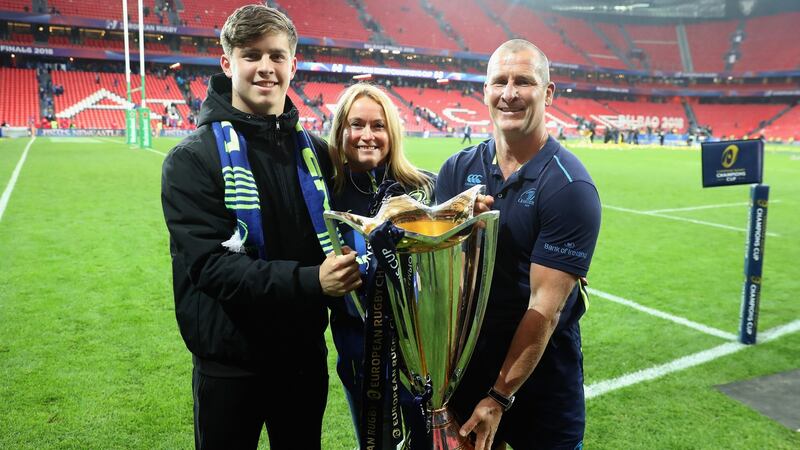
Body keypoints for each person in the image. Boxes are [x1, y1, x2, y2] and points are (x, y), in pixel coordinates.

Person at [160, 5, 361, 449]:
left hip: (303, 360)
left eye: (276, 55)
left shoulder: (317, 154)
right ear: (228, 63)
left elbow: (377, 195)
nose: (265, 68)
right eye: (251, 55)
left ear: (293, 64)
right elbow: (211, 266)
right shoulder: (192, 159)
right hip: (230, 365)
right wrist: (313, 281)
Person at [436, 39, 601, 450]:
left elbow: (545, 309)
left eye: (523, 82)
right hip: (468, 368)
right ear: (485, 90)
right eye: (500, 81)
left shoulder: (569, 187)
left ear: (548, 93)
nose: (509, 93)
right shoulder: (457, 170)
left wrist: (498, 397)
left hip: (542, 376)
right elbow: (441, 278)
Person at [327, 82, 435, 449]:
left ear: (393, 131)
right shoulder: (324, 193)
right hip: (361, 357)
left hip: (422, 357)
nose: (367, 136)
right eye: (356, 125)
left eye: (378, 126)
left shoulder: (425, 189)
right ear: (340, 130)